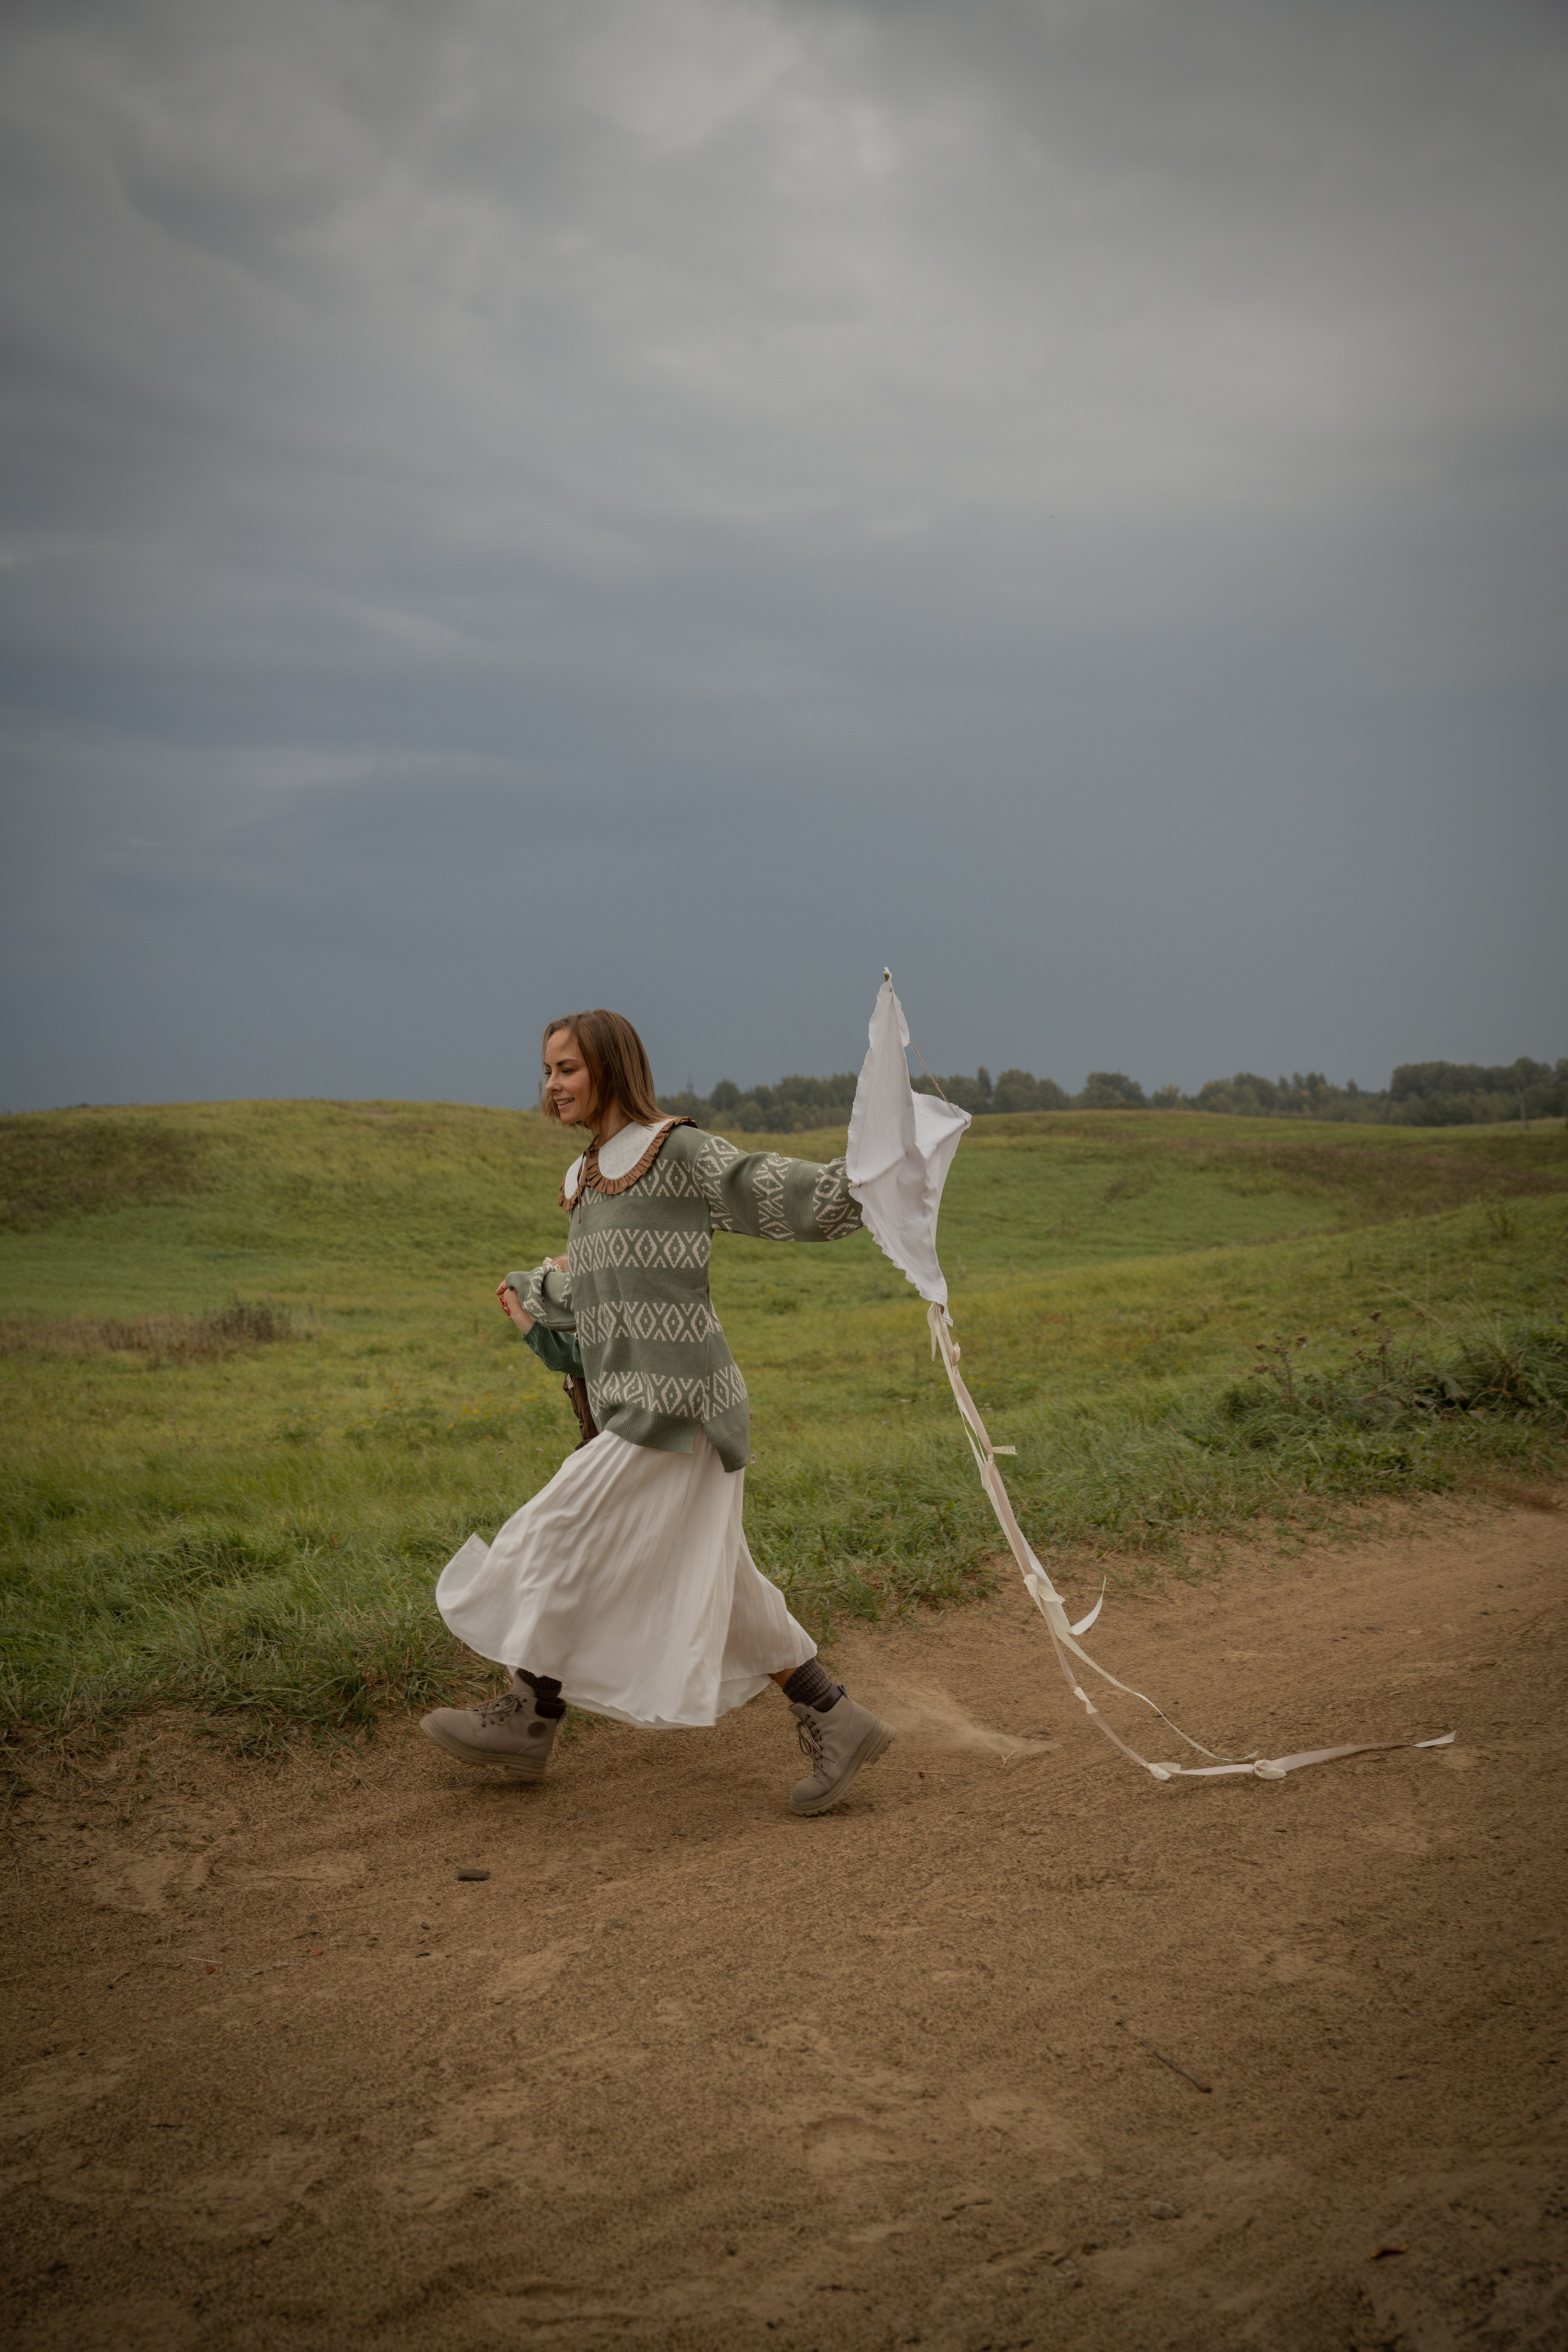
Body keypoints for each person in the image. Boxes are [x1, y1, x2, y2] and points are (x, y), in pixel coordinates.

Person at [420, 1008, 894, 1815]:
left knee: (553, 1533)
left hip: (683, 1409)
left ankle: (532, 1713)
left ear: (610, 1067)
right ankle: (835, 1717)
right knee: (729, 1589)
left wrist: (863, 1181)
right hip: (633, 1412)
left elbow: (759, 1188)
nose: (553, 1085)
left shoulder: (673, 1151)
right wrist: (536, 1299)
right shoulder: (585, 1183)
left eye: (568, 1068)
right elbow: (602, 1307)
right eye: (547, 1071)